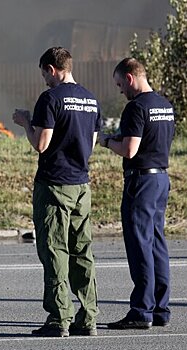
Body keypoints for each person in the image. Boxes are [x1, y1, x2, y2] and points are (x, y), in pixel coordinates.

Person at [13, 47, 101, 337]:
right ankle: (88, 317)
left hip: (54, 184)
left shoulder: (50, 99)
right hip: (81, 184)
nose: (43, 80)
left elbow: (41, 144)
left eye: (43, 74)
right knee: (81, 251)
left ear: (52, 69)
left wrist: (26, 122)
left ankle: (59, 318)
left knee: (54, 250)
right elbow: (92, 140)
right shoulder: (90, 99)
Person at [99, 58, 175, 330]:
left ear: (130, 78)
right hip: (161, 179)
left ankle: (141, 311)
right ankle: (160, 308)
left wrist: (106, 141)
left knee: (140, 245)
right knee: (157, 244)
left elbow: (130, 149)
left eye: (120, 84)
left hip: (140, 181)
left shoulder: (136, 107)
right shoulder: (165, 106)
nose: (121, 91)